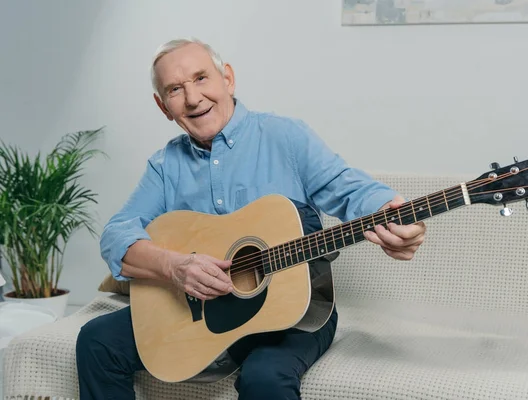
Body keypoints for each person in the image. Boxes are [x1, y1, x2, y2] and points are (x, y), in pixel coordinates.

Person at [75, 38, 426, 400]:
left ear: (227, 78)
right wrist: (174, 266)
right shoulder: (165, 166)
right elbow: (117, 234)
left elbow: (350, 190)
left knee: (265, 378)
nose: (193, 98)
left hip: (295, 312)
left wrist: (387, 211)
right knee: (97, 341)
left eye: (201, 78)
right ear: (163, 106)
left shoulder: (285, 136)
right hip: (199, 313)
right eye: (175, 89)